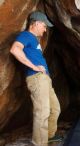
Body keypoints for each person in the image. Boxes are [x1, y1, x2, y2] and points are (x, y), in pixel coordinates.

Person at [10, 11, 62, 146]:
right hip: (37, 78)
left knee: (55, 108)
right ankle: (40, 143)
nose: (45, 30)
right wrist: (34, 66)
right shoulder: (26, 35)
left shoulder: (34, 40)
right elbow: (15, 49)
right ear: (36, 23)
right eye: (44, 26)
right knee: (42, 112)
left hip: (45, 79)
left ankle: (49, 136)